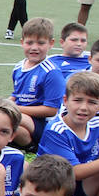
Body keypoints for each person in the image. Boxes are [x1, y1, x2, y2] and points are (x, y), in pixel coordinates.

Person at [9, 17, 66, 148]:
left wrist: (15, 109)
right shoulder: (18, 67)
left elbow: (51, 110)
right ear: (22, 42)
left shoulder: (51, 72)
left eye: (40, 43)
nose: (34, 48)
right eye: (29, 43)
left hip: (43, 123)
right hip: (21, 116)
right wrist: (5, 102)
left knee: (11, 119)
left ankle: (34, 146)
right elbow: (16, 94)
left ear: (51, 43)